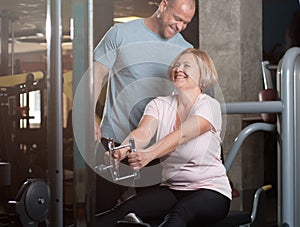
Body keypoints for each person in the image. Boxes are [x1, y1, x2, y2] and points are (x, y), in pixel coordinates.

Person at [95, 48, 232, 227]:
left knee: (178, 216)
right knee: (121, 213)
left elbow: (181, 135)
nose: (178, 69)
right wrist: (124, 149)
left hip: (211, 191)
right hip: (172, 189)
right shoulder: (159, 104)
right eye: (176, 65)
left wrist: (150, 154)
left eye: (186, 66)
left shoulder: (209, 106)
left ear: (202, 74)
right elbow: (143, 132)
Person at [93, 0, 196, 213]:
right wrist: (87, 116)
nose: (180, 27)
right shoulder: (120, 34)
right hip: (115, 142)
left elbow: (190, 101)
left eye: (186, 23)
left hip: (156, 150)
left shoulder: (186, 51)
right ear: (163, 5)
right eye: (177, 18)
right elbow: (95, 76)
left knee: (155, 215)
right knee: (100, 212)